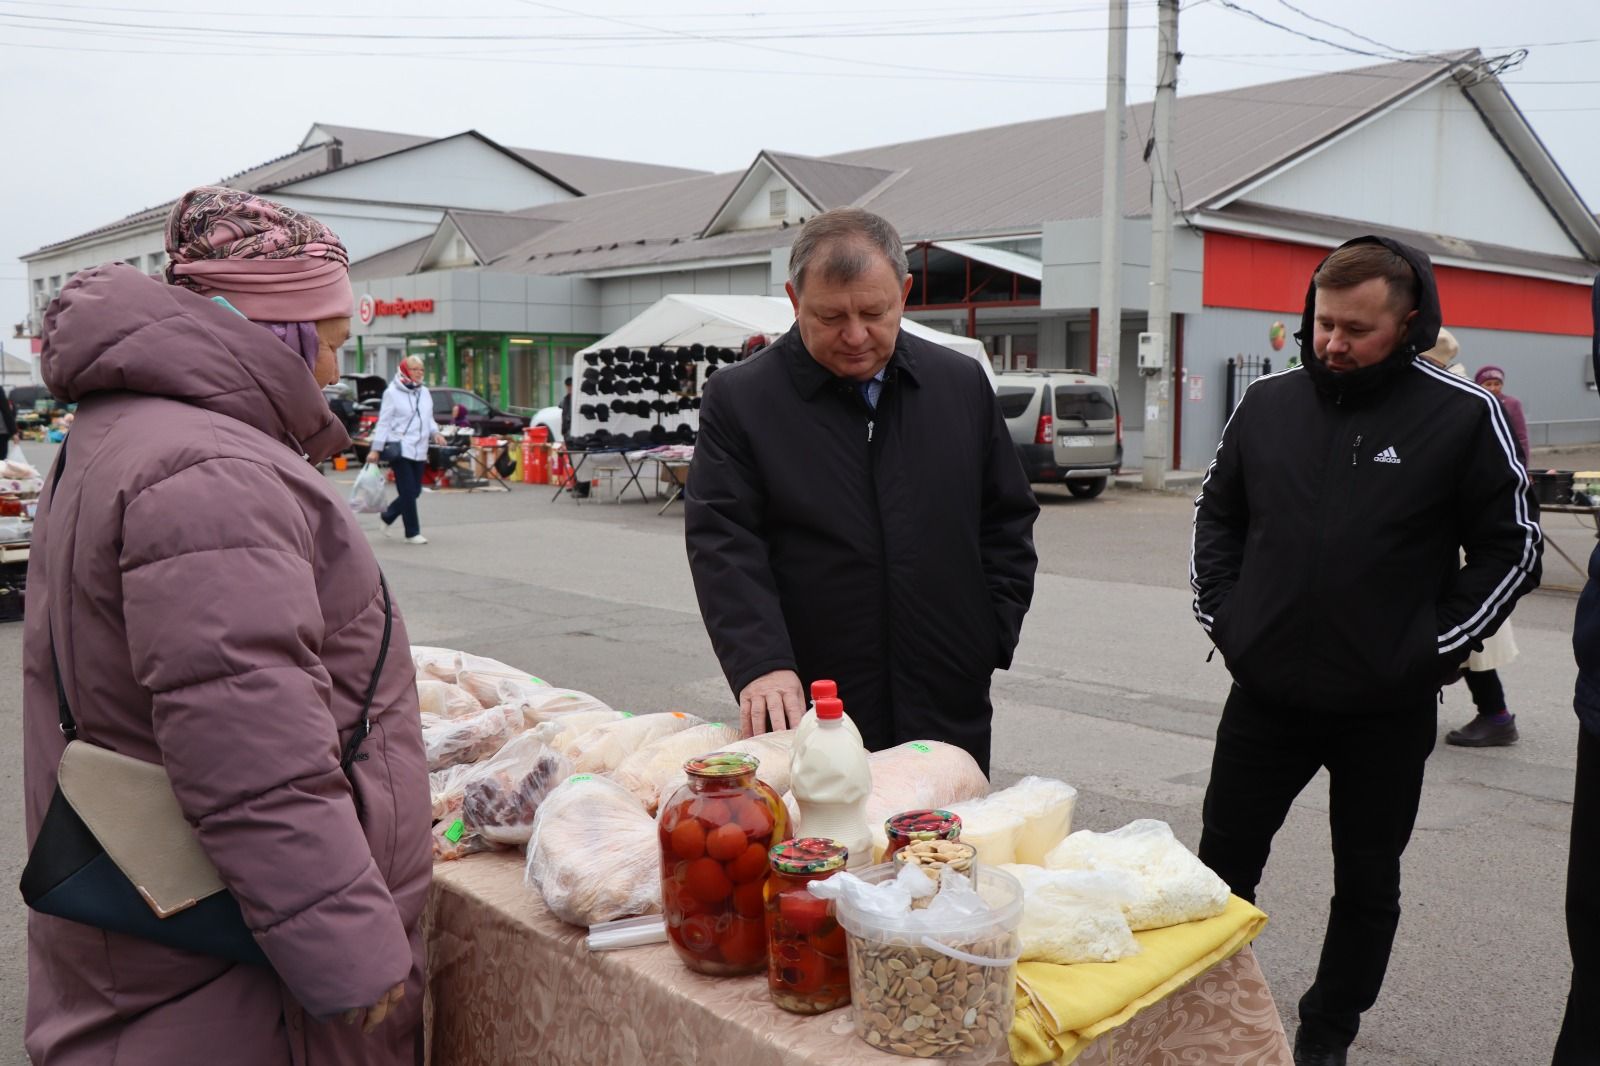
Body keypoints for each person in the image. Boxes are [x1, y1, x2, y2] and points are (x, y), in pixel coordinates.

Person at [23, 186, 429, 1063]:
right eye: (327, 339)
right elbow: (251, 754)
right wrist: (353, 953)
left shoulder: (124, 426)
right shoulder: (209, 467)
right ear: (272, 325)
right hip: (222, 974)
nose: (330, 370)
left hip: (153, 939)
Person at [1191, 236, 1541, 1065]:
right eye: (1323, 323)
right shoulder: (1268, 405)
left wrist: (1431, 647)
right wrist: (1230, 620)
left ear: (1410, 322)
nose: (1334, 343)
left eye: (1357, 328)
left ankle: (1326, 1034)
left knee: (1367, 881)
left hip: (1385, 707)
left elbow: (1512, 546)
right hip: (1267, 694)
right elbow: (1218, 515)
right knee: (1217, 872)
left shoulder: (1461, 415)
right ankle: (1201, 1014)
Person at [684, 207, 1039, 775]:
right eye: (830, 316)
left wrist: (987, 634)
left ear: (904, 293)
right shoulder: (743, 399)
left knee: (941, 850)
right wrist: (762, 663)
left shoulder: (959, 384)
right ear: (795, 300)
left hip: (947, 688)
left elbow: (1006, 518)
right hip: (810, 699)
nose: (855, 335)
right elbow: (724, 542)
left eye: (875, 312)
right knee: (827, 853)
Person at [1417, 331, 1522, 748]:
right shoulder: (1452, 399)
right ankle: (1492, 714)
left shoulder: (1462, 405)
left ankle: (1495, 715)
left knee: (1465, 640)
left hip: (1461, 546)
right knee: (1465, 643)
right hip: (1455, 543)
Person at [367, 355, 445, 545]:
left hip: (420, 448)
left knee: (415, 491)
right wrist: (376, 449)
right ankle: (412, 532)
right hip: (400, 446)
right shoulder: (392, 392)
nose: (419, 373)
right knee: (408, 492)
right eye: (415, 369)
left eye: (422, 369)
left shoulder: (424, 392)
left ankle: (388, 516)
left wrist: (435, 432)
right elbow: (384, 422)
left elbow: (428, 417)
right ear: (404, 370)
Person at [1475, 365, 1531, 465]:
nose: (1493, 388)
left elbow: (1521, 437)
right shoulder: (1473, 405)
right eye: (1488, 384)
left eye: (1497, 384)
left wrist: (1523, 463)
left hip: (1506, 458)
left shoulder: (1513, 404)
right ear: (1479, 385)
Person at [0, 382, 16, 460]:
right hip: (2, 433)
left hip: (2, 432)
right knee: (2, 460)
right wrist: (14, 432)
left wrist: (14, 432)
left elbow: (6, 411)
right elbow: (6, 411)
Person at [559, 376, 573, 440]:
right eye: (568, 386)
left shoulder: (576, 400)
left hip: (574, 432)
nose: (569, 388)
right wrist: (563, 431)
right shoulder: (565, 399)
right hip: (566, 433)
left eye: (571, 386)